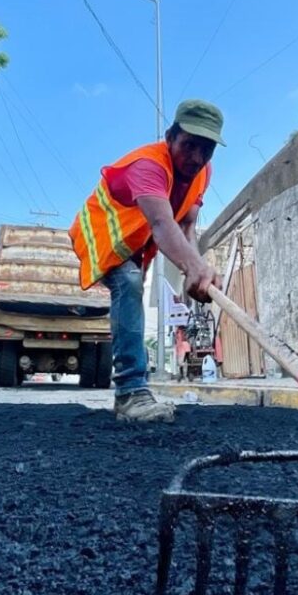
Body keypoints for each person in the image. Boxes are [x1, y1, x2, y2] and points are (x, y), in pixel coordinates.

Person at [70, 100, 224, 422]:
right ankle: (130, 393)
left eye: (206, 150)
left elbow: (185, 224)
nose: (196, 158)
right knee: (128, 281)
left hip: (136, 242)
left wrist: (193, 269)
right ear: (170, 137)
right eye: (188, 146)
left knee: (133, 281)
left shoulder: (202, 171)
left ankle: (131, 391)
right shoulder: (148, 165)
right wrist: (193, 266)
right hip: (102, 234)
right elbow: (162, 224)